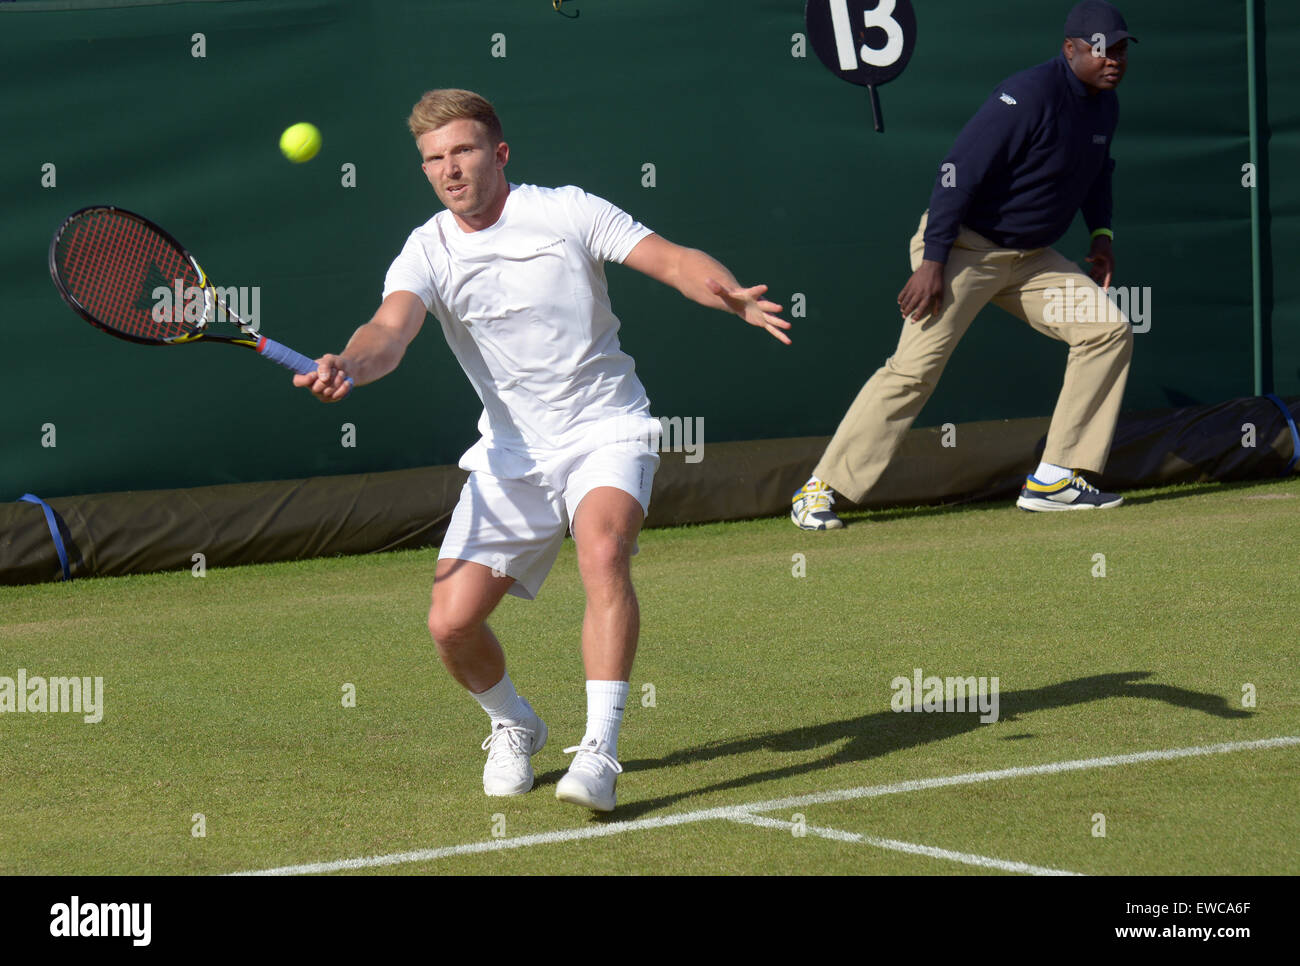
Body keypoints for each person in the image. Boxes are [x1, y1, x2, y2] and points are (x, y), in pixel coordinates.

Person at [295, 88, 790, 812]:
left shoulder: (565, 211)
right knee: (450, 622)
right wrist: (350, 361)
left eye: (462, 151)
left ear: (499, 153)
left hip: (604, 427)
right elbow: (389, 332)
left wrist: (726, 292)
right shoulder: (426, 247)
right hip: (510, 456)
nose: (449, 170)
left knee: (603, 550)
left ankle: (599, 751)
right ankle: (513, 723)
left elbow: (673, 260)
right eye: (433, 159)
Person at [792, 0, 1137, 530]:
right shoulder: (1027, 94)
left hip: (1032, 260)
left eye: (1120, 48)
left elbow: (1099, 173)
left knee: (1107, 329)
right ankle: (821, 488)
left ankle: (1055, 477)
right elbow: (957, 171)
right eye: (1102, 47)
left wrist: (1102, 234)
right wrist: (933, 261)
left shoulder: (1104, 106)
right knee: (912, 371)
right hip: (961, 251)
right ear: (1070, 49)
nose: (1113, 58)